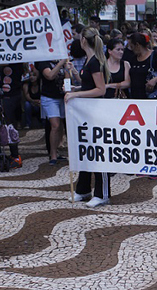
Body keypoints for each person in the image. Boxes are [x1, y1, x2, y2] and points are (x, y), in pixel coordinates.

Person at [64, 27, 111, 207]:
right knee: (86, 150)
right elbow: (89, 86)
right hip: (87, 113)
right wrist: (76, 88)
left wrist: (76, 95)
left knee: (98, 153)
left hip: (96, 113)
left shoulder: (95, 62)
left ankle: (102, 193)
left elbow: (100, 89)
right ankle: (83, 189)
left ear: (84, 40)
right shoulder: (89, 61)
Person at [37, 58, 74, 165]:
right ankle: (52, 154)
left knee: (61, 125)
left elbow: (68, 80)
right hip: (49, 98)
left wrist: (68, 70)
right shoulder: (44, 62)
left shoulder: (64, 62)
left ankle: (57, 151)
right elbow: (49, 76)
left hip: (62, 97)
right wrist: (60, 64)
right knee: (55, 125)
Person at [128, 32, 157, 99]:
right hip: (135, 96)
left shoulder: (156, 56)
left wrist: (155, 80)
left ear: (137, 45)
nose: (131, 50)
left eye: (132, 47)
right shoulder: (133, 59)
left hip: (152, 96)